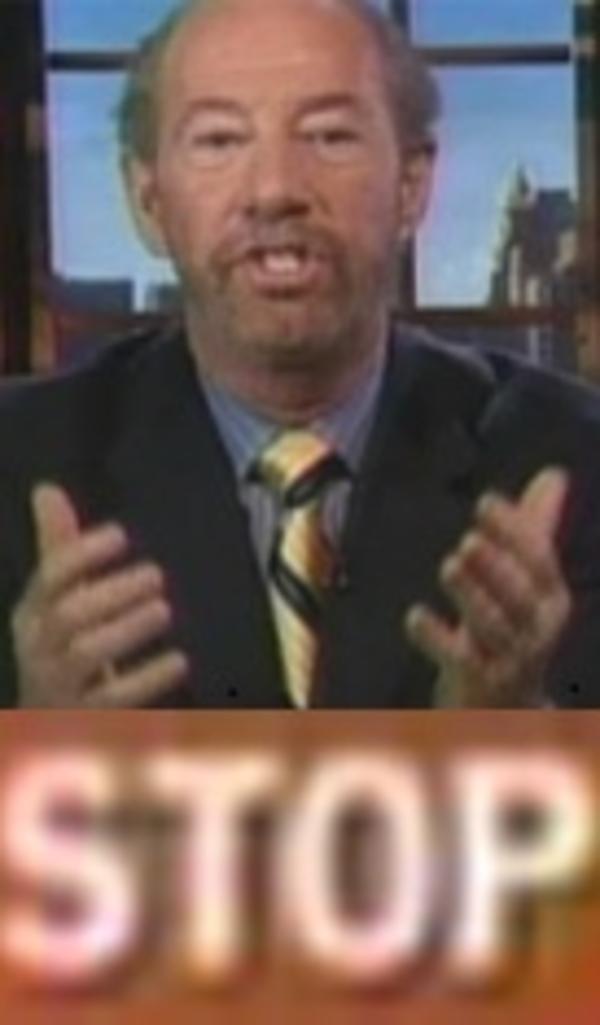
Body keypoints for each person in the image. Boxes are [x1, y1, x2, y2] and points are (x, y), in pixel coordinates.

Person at [1, 0, 599, 709]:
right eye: (220, 140)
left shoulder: (571, 458)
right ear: (148, 199)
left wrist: (525, 732)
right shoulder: (19, 459)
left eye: (329, 135)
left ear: (412, 185)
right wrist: (34, 741)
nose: (275, 191)